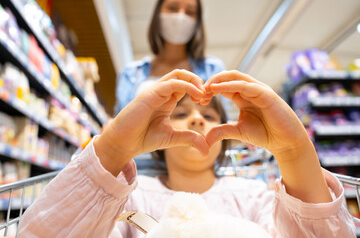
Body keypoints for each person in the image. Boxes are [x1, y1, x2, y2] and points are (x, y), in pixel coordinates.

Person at [18, 70, 355, 237]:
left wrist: (294, 149)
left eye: (210, 116)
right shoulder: (132, 201)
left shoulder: (254, 198)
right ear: (157, 139)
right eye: (180, 115)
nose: (197, 117)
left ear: (228, 137)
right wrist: (115, 146)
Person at [114, 0, 225, 115]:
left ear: (197, 21)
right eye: (172, 8)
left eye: (190, 12)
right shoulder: (130, 73)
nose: (180, 16)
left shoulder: (212, 69)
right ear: (158, 13)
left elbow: (221, 121)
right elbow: (119, 122)